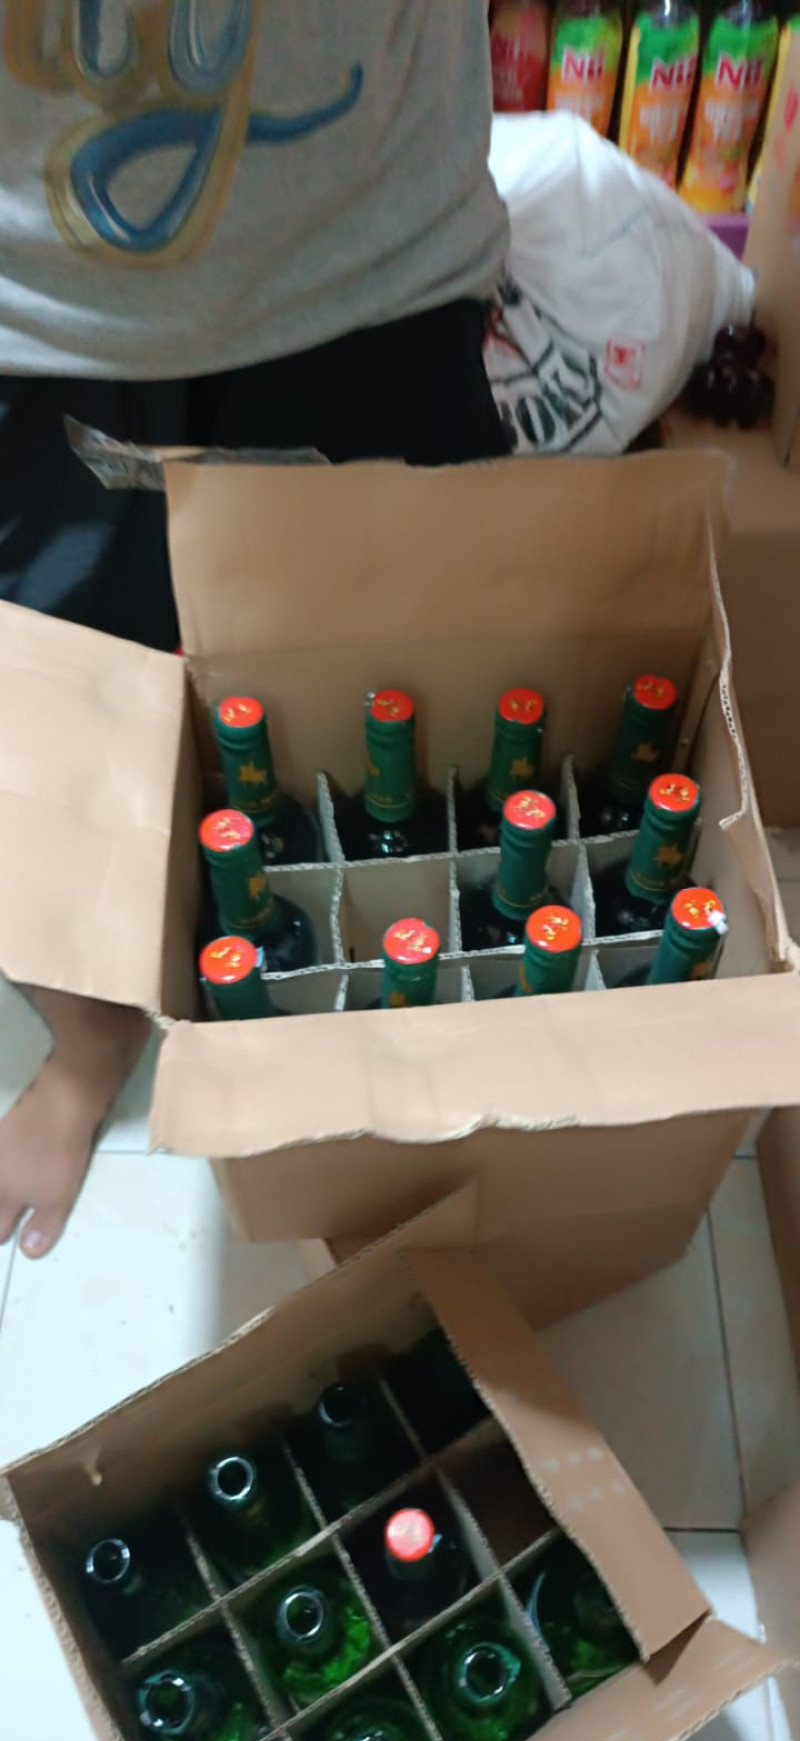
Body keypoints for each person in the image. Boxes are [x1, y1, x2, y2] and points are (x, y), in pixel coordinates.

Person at [0, 1, 508, 1259]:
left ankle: (383, 1013)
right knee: (46, 733)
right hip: (28, 306)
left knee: (403, 729)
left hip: (371, 258)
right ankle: (93, 1033)